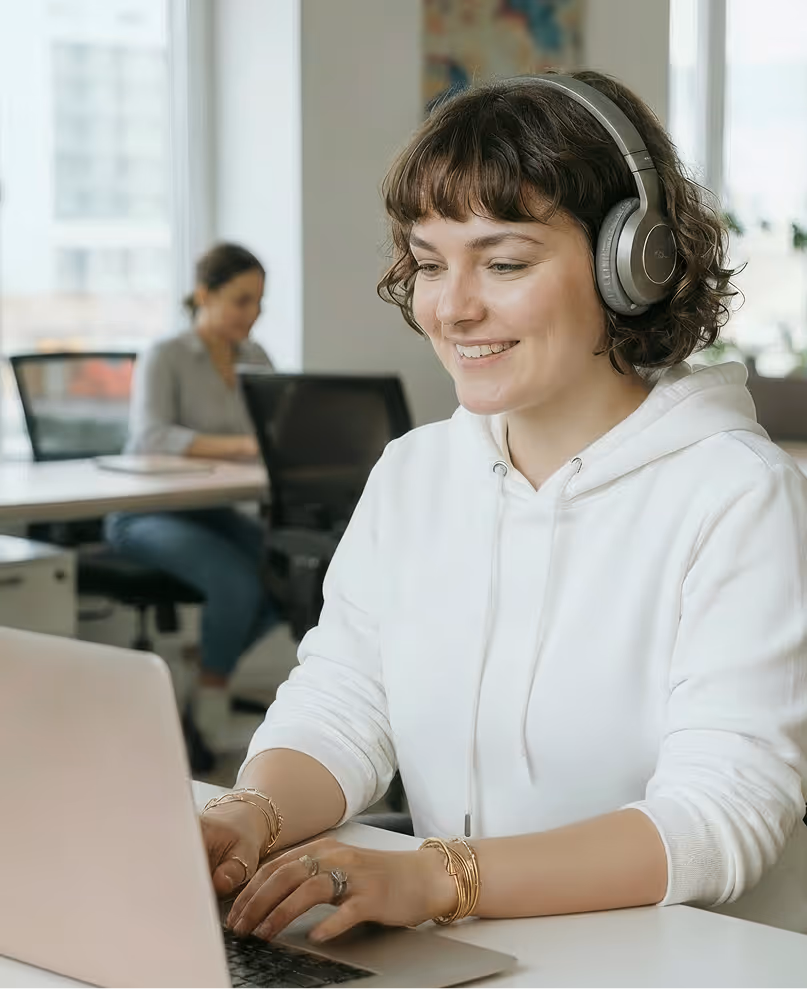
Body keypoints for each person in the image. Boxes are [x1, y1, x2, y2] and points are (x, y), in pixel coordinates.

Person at [200, 71, 807, 943]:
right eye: (428, 261)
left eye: (505, 261)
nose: (452, 306)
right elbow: (343, 703)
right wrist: (249, 814)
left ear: (633, 264)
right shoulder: (415, 472)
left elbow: (722, 815)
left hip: (678, 960)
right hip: (473, 948)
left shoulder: (736, 495)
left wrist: (443, 876)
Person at [106, 243, 279, 753]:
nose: (252, 315)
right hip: (145, 513)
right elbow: (150, 437)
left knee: (290, 573)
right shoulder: (167, 355)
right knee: (234, 581)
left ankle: (205, 668)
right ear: (204, 295)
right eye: (241, 301)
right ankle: (209, 708)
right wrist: (244, 446)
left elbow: (276, 425)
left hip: (215, 510)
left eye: (259, 304)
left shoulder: (256, 357)